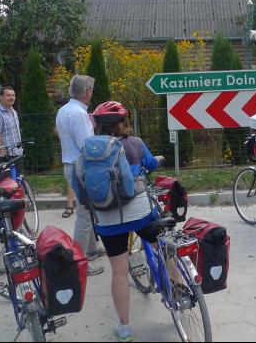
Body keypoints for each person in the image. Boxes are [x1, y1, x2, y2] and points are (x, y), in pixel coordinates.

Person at [89, 101, 165, 343]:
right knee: (162, 246)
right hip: (140, 211)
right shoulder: (136, 143)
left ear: (98, 126)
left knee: (119, 273)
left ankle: (124, 328)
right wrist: (157, 160)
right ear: (123, 123)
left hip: (108, 218)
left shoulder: (89, 150)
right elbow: (151, 164)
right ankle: (179, 289)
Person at [55, 75, 105, 276]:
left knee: (87, 210)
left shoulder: (64, 110)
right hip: (80, 167)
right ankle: (79, 260)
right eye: (91, 90)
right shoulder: (79, 114)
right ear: (87, 92)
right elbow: (88, 146)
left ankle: (91, 249)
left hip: (70, 164)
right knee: (85, 215)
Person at [0, 87, 23, 162]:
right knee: (7, 174)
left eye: (13, 95)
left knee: (18, 174)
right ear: (1, 97)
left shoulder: (13, 112)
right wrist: (4, 156)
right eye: (8, 95)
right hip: (5, 157)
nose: (12, 97)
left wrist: (21, 150)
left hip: (17, 153)